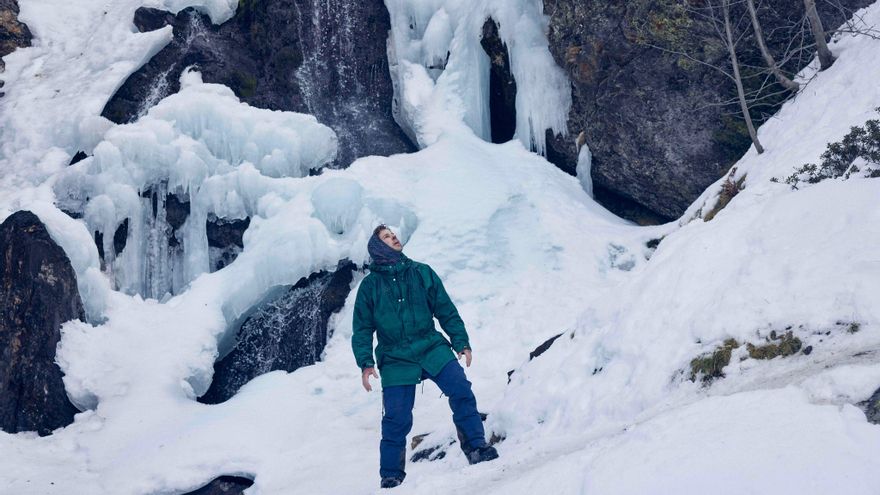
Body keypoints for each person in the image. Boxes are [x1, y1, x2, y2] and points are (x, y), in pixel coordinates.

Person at [352, 224, 499, 489]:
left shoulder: (422, 272)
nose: (394, 238)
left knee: (461, 389)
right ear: (377, 248)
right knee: (396, 417)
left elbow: (445, 309)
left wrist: (460, 342)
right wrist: (365, 363)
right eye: (387, 237)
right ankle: (391, 475)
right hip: (395, 357)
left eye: (393, 235)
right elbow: (362, 329)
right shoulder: (369, 287)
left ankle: (477, 447)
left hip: (430, 346)